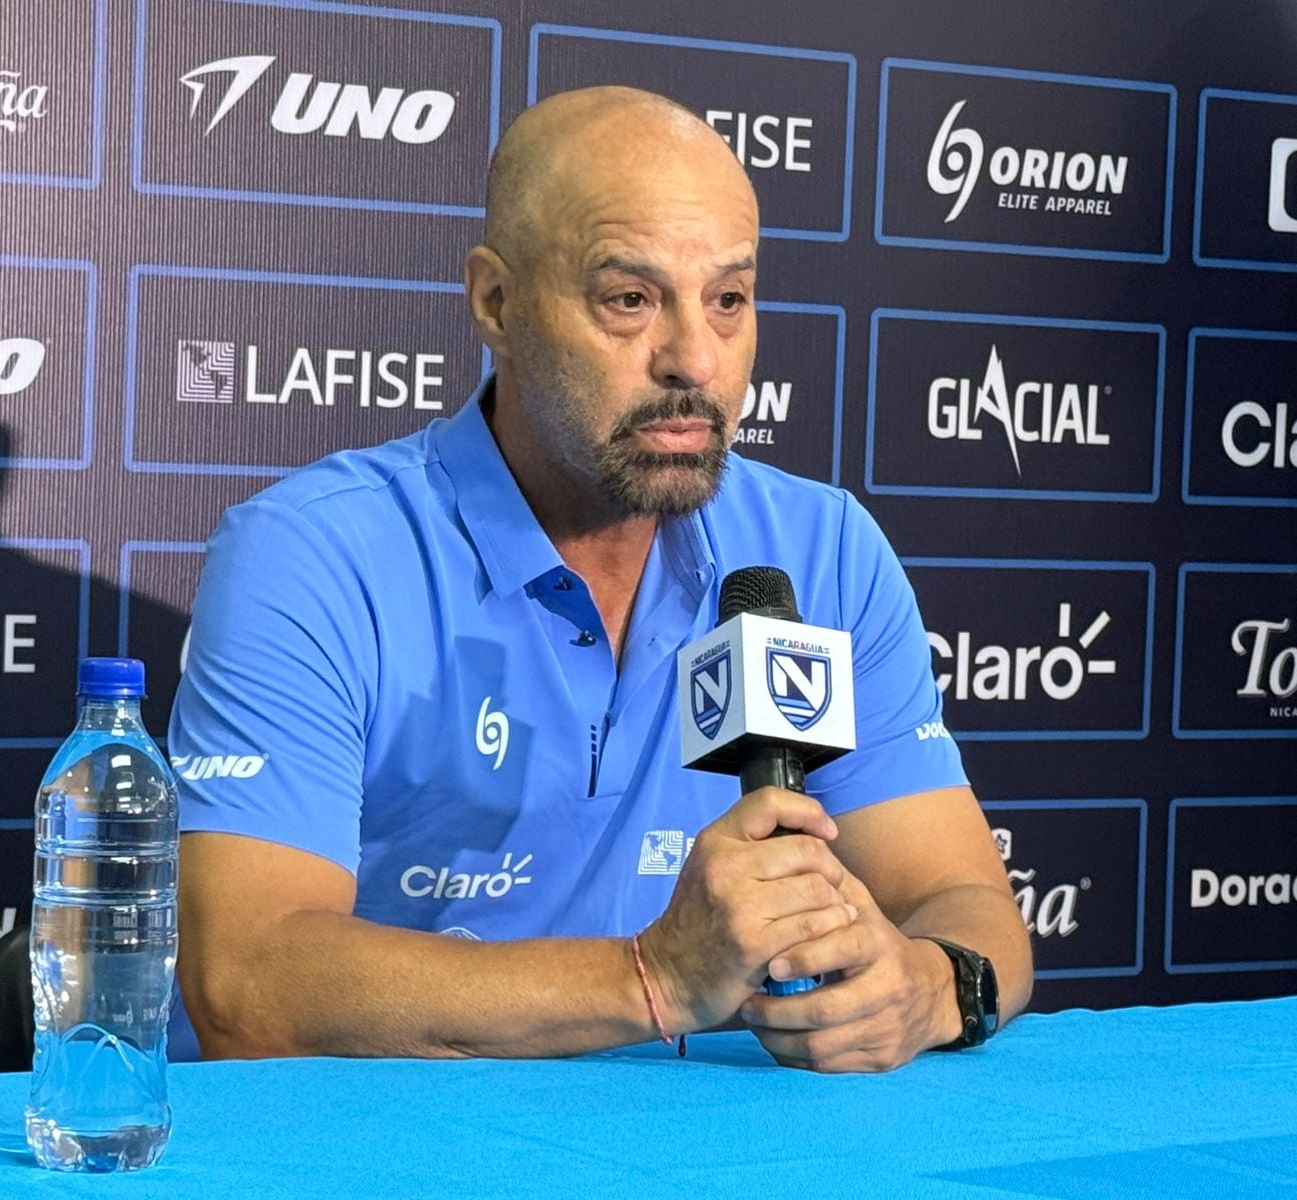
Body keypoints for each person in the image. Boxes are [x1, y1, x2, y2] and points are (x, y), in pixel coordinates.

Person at [169, 86, 1031, 1072]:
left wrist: (920, 989)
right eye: (628, 299)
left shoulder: (819, 547)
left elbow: (961, 901)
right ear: (495, 303)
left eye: (728, 299)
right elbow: (247, 987)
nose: (693, 359)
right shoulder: (314, 554)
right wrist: (654, 980)